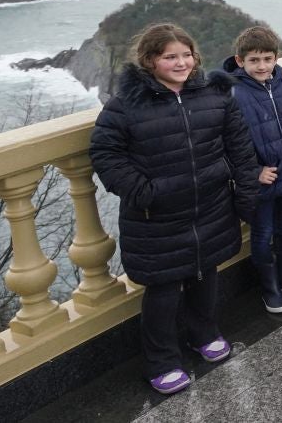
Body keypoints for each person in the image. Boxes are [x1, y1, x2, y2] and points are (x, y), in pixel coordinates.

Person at [91, 23, 258, 395]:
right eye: (170, 56)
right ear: (151, 60)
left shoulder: (216, 96)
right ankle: (161, 359)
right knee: (163, 290)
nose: (181, 62)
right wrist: (144, 192)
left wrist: (245, 195)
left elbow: (241, 149)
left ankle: (204, 333)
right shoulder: (126, 106)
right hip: (157, 216)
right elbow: (105, 153)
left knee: (205, 276)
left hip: (212, 206)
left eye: (186, 55)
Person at [222, 25, 282, 314]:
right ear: (240, 61)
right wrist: (253, 172)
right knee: (263, 234)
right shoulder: (232, 95)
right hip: (261, 182)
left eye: (267, 59)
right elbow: (225, 144)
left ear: (276, 58)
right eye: (254, 60)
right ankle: (270, 287)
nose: (262, 66)